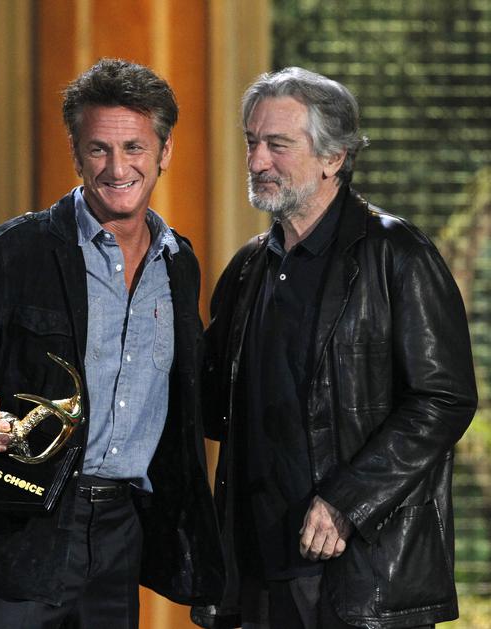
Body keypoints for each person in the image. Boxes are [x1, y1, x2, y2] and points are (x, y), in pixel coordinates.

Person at [0, 58, 223, 628]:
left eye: (134, 147)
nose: (117, 167)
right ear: (76, 155)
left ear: (165, 152)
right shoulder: (18, 250)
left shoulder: (179, 263)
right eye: (99, 149)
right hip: (17, 531)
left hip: (122, 532)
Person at [196, 67, 477, 629]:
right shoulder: (248, 268)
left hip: (362, 569)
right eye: (252, 142)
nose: (256, 161)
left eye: (277, 145)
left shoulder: (399, 255)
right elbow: (210, 406)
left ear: (334, 157)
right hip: (256, 569)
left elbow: (443, 399)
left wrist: (347, 500)